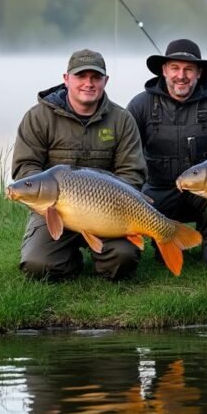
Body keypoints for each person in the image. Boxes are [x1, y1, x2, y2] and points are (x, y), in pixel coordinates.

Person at [12, 49, 147, 281]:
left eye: (95, 77)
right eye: (81, 76)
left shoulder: (122, 120)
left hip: (107, 212)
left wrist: (112, 206)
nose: (88, 83)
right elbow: (26, 167)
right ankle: (69, 259)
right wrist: (43, 202)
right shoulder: (38, 117)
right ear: (66, 79)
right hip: (53, 211)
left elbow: (131, 173)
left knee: (122, 262)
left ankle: (102, 259)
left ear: (106, 81)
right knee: (38, 266)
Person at [127, 39, 207, 266]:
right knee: (142, 203)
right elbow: (128, 158)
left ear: (199, 73)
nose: (181, 75)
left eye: (188, 69)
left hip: (205, 190)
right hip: (159, 189)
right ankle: (162, 240)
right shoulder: (140, 105)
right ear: (164, 70)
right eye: (175, 68)